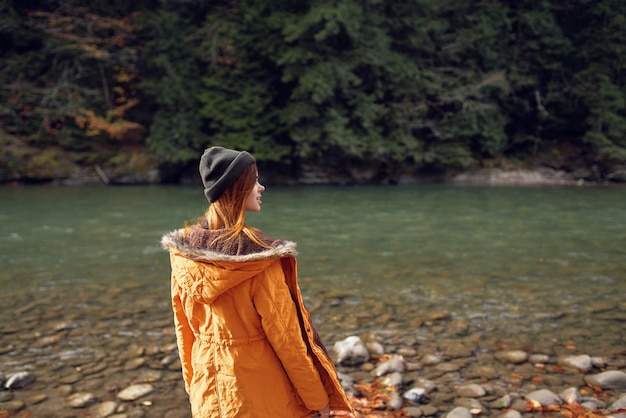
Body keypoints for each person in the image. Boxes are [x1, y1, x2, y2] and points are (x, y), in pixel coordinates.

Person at [161, 147, 354, 418]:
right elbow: (288, 341)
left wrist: (193, 386)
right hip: (262, 397)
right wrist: (317, 399)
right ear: (237, 188)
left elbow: (184, 330)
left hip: (209, 393)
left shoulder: (183, 254)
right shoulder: (258, 260)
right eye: (254, 181)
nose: (261, 188)